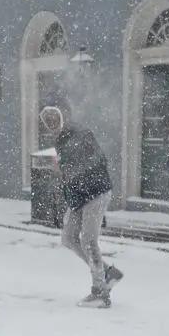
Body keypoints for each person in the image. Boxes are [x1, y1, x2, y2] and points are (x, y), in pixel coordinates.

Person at [47, 106, 122, 307]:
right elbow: (68, 173)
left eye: (54, 118)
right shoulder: (60, 141)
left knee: (89, 240)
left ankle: (100, 292)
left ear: (63, 116)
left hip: (96, 193)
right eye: (47, 120)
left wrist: (68, 168)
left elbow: (96, 161)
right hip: (79, 197)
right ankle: (106, 272)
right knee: (69, 237)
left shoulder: (80, 134)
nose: (51, 123)